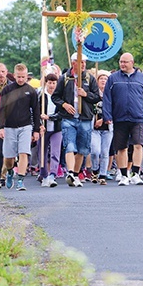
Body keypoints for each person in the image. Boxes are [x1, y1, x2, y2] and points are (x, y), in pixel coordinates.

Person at [102, 53, 143, 186]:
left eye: (125, 62)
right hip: (119, 118)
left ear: (132, 62)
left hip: (138, 117)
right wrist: (107, 115)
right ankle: (124, 174)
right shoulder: (113, 79)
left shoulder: (142, 78)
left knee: (138, 145)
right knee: (121, 147)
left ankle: (136, 173)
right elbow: (107, 98)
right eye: (121, 62)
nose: (122, 64)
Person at [52, 52, 101, 187]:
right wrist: (64, 105)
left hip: (85, 117)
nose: (83, 65)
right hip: (69, 118)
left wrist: (86, 94)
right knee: (70, 145)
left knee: (83, 149)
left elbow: (97, 97)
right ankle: (70, 172)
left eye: (85, 62)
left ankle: (75, 173)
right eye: (81, 62)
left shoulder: (90, 79)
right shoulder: (65, 78)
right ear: (73, 63)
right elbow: (55, 97)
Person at [0, 63, 40, 191]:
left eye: (23, 77)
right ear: (14, 75)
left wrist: (36, 129)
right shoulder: (7, 90)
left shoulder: (31, 91)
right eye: (19, 77)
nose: (21, 79)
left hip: (25, 126)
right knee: (8, 157)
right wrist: (1, 127)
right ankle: (10, 171)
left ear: (27, 76)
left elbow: (36, 111)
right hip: (9, 126)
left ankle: (21, 180)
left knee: (23, 153)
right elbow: (1, 110)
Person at [38, 73, 62, 187]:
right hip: (44, 128)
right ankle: (44, 174)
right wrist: (39, 124)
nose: (51, 85)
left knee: (55, 152)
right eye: (49, 83)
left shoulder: (59, 97)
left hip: (56, 128)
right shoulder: (41, 96)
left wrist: (50, 117)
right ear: (46, 83)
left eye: (53, 83)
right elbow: (36, 111)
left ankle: (53, 174)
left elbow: (62, 113)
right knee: (42, 151)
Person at [90, 70, 113, 185]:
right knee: (95, 151)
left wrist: (103, 119)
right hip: (94, 128)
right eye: (101, 78)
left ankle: (102, 174)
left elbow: (115, 110)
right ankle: (95, 170)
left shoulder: (112, 95)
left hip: (107, 127)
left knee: (105, 152)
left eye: (106, 78)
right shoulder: (93, 94)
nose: (104, 80)